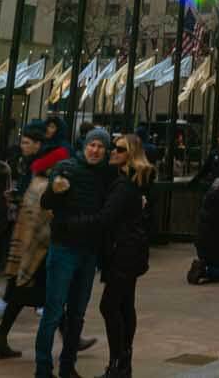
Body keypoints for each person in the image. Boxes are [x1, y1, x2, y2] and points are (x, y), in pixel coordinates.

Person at [37, 126, 115, 378]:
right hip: (64, 248)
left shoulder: (107, 175)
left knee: (78, 314)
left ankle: (68, 365)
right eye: (92, 144)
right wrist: (54, 189)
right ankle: (43, 368)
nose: (95, 150)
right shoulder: (66, 168)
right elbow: (46, 203)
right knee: (53, 311)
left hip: (89, 251)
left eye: (101, 146)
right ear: (85, 145)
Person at [0, 129, 68, 360]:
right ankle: (67, 340)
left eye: (26, 142)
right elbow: (44, 220)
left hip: (26, 250)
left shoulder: (35, 178)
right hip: (37, 253)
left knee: (32, 297)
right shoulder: (45, 185)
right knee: (47, 296)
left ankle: (0, 340)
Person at [95, 134, 152, 378]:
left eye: (119, 149)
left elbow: (107, 218)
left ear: (130, 154)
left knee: (109, 305)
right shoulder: (134, 181)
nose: (112, 152)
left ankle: (118, 363)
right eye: (113, 148)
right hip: (132, 250)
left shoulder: (124, 185)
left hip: (123, 251)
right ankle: (123, 363)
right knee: (125, 304)